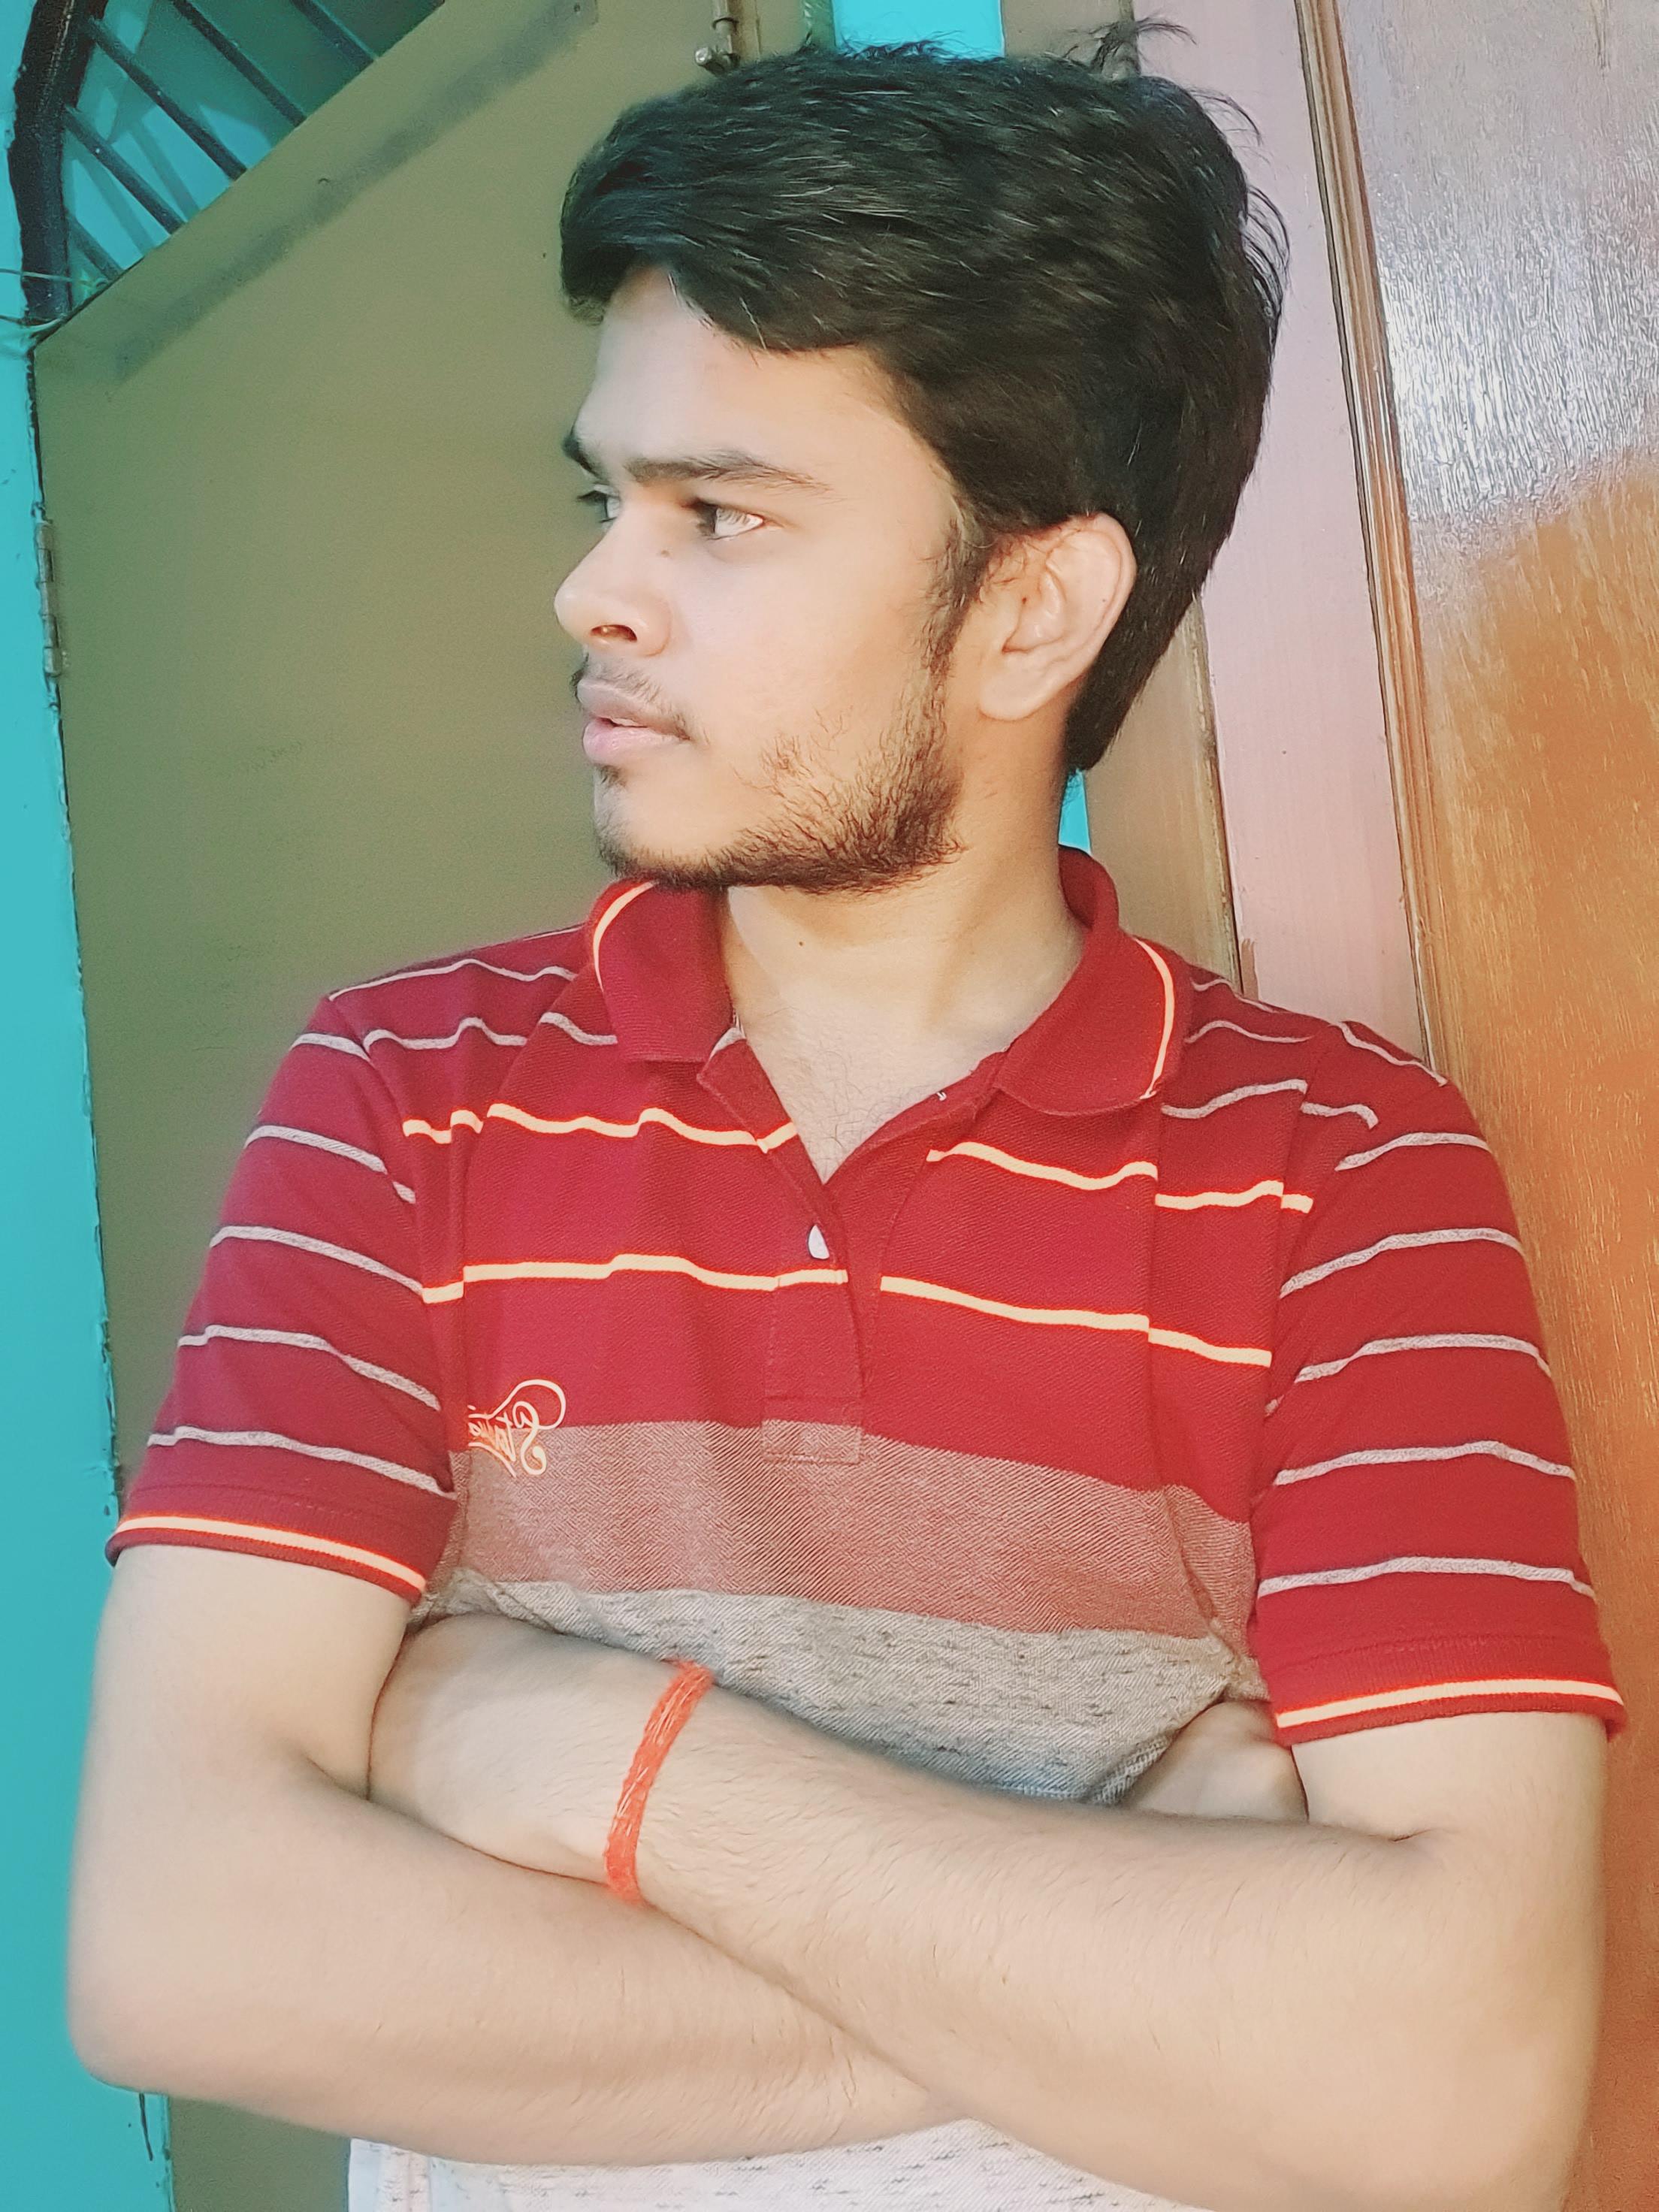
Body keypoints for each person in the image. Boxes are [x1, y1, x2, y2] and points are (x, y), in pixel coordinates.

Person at [68, 27, 1621, 2212]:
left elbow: (1462, 2105)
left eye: (721, 515)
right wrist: (1127, 1961)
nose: (594, 592)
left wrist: (602, 1759)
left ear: (1029, 608)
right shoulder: (405, 1100)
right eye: (607, 499)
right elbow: (182, 1947)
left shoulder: (1341, 1176)